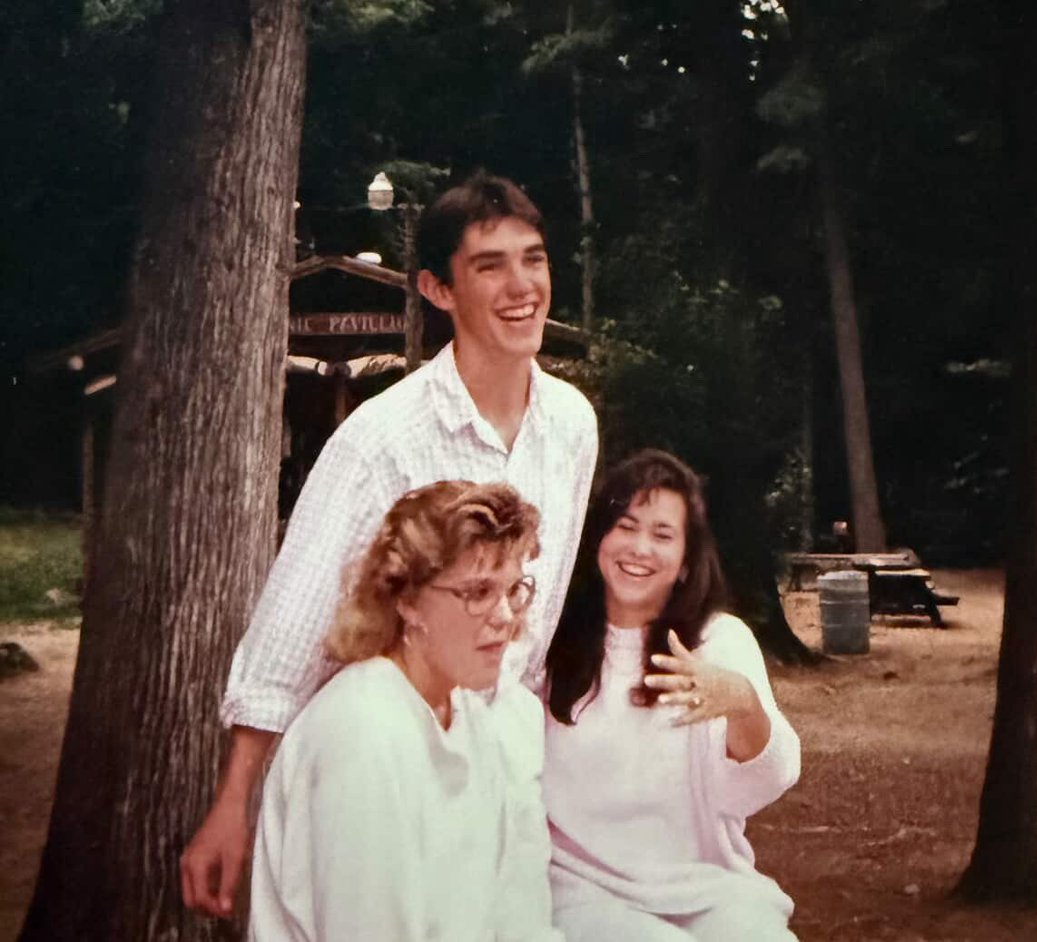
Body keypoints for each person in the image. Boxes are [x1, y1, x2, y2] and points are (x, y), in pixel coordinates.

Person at [182, 172, 598, 917]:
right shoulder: (382, 438)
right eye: (489, 266)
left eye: (532, 258)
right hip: (388, 759)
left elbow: (535, 619)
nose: (520, 286)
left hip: (496, 741)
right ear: (438, 290)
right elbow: (291, 627)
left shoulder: (572, 425)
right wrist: (232, 805)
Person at [250, 480, 561, 940]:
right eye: (478, 591)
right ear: (408, 600)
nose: (504, 615)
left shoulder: (472, 715)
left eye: (513, 590)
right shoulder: (362, 729)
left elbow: (515, 912)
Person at [542, 449, 801, 941]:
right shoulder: (550, 644)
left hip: (706, 886)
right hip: (580, 890)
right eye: (625, 526)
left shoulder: (720, 640)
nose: (639, 547)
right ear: (598, 538)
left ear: (685, 562)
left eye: (662, 535)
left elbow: (767, 782)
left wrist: (742, 702)